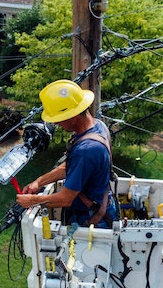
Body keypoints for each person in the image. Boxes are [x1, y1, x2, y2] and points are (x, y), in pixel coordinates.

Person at [16, 79, 117, 228]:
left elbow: (65, 199)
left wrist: (32, 201)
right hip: (101, 205)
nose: (56, 124)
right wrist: (39, 182)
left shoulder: (86, 151)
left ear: (73, 115)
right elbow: (70, 167)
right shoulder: (97, 126)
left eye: (59, 119)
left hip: (93, 218)